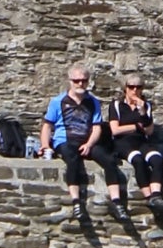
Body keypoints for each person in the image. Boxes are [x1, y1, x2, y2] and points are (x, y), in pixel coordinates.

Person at [40, 64, 120, 221]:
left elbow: (97, 127)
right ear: (70, 81)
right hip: (65, 140)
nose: (80, 84)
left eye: (83, 81)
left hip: (87, 140)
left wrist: (89, 144)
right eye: (76, 81)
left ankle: (117, 202)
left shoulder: (93, 102)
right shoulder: (58, 101)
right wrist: (45, 145)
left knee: (109, 161)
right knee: (73, 160)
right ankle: (76, 201)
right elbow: (47, 125)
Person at [105, 73, 163, 222]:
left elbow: (149, 130)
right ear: (125, 89)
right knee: (138, 160)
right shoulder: (116, 105)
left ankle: (156, 195)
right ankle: (148, 196)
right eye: (131, 87)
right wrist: (135, 126)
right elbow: (115, 129)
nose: (135, 90)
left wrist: (142, 113)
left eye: (138, 87)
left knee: (157, 159)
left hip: (141, 141)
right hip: (123, 142)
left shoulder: (145, 106)